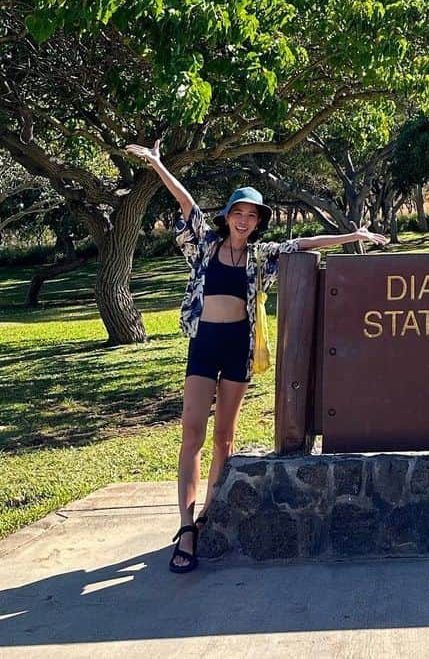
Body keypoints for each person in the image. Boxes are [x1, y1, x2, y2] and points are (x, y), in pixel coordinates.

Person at [125, 140, 388, 573]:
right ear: (226, 216)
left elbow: (303, 244)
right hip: (204, 344)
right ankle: (186, 526)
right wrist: (156, 164)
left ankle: (209, 513)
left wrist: (352, 236)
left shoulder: (260, 258)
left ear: (257, 222)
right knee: (192, 433)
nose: (244, 221)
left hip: (239, 348)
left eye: (252, 216)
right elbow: (186, 202)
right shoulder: (204, 246)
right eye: (238, 213)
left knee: (224, 437)